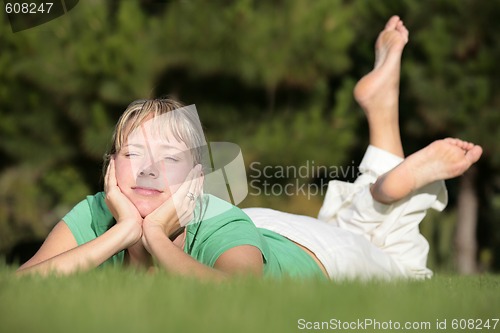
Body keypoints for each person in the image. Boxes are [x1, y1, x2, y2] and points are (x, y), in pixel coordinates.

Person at [17, 16, 482, 280]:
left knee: (402, 272)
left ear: (198, 181)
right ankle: (383, 121)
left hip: (318, 255)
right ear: (109, 169)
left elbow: (235, 295)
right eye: (133, 154)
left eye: (170, 159)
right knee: (364, 222)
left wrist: (153, 236)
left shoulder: (220, 218)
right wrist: (120, 233)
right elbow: (19, 287)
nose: (149, 171)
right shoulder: (99, 212)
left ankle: (385, 175)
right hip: (259, 232)